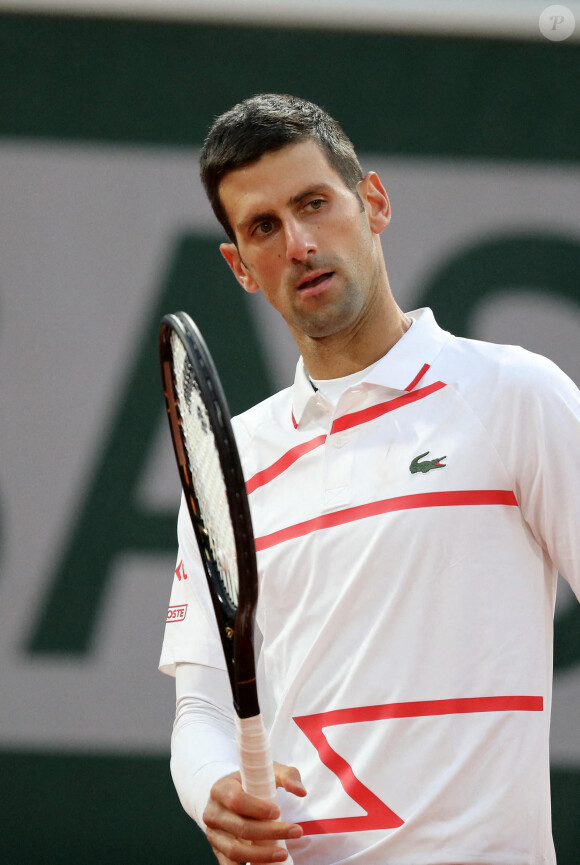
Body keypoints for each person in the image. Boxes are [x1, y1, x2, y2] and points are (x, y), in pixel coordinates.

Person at [159, 94, 580, 865]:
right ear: (240, 267)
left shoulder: (518, 395)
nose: (299, 243)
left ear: (374, 202)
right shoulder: (231, 460)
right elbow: (201, 707)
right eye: (263, 227)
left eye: (314, 204)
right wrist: (215, 786)